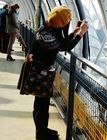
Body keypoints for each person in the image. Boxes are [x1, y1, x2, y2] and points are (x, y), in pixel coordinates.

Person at [26, 5, 88, 140]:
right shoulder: (51, 39)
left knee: (39, 104)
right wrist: (81, 34)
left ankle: (42, 131)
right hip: (41, 76)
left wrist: (74, 32)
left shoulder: (45, 29)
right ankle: (41, 134)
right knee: (41, 107)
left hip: (36, 73)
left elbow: (60, 42)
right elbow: (65, 46)